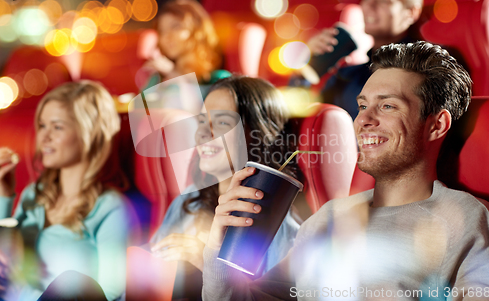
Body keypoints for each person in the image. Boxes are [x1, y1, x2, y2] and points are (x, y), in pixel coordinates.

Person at [202, 41, 489, 300]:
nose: (363, 120)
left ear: (436, 125)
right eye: (362, 106)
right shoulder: (326, 218)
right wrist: (220, 256)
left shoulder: (468, 220)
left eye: (387, 107)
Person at [149, 76, 300, 298]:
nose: (203, 132)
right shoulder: (188, 200)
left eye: (221, 122)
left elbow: (269, 295)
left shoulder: (276, 220)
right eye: (201, 121)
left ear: (257, 134)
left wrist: (205, 260)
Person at [0, 81, 138, 301]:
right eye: (42, 126)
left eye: (57, 127)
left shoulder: (111, 207)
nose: (44, 137)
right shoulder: (34, 194)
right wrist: (4, 196)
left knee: (72, 282)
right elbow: (6, 258)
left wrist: (23, 293)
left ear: (89, 134)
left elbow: (110, 294)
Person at [310, 0, 423, 119]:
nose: (369, 6)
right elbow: (300, 121)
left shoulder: (424, 70)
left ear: (411, 12)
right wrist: (306, 65)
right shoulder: (348, 75)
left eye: (384, 0)